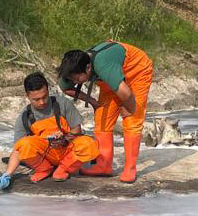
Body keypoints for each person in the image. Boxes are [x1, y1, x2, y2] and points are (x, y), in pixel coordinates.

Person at [57, 40, 153, 183]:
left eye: (77, 79)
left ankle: (130, 168)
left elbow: (126, 94)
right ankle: (104, 165)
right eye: (72, 79)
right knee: (102, 118)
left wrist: (129, 108)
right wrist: (92, 101)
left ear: (88, 68)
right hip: (112, 80)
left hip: (137, 71)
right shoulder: (73, 68)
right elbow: (66, 88)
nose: (74, 82)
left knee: (132, 120)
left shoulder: (103, 65)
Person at [0, 72, 99, 191]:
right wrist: (7, 175)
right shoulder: (25, 116)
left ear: (48, 90)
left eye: (44, 96)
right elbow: (18, 150)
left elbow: (77, 131)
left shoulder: (63, 103)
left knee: (89, 144)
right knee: (24, 144)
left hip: (67, 150)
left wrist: (64, 138)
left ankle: (63, 169)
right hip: (45, 155)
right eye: (36, 99)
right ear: (27, 96)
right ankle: (44, 169)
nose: (42, 102)